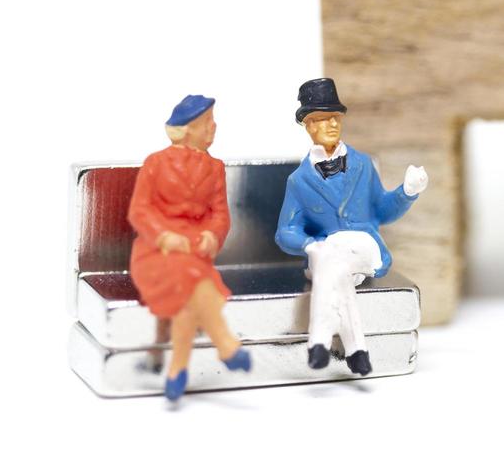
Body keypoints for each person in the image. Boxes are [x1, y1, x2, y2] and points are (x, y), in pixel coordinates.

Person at [276, 78, 428, 375]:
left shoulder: (362, 164)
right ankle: (357, 351)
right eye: (321, 119)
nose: (331, 124)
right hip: (331, 253)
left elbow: (382, 210)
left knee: (326, 262)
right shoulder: (299, 180)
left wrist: (407, 192)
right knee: (332, 265)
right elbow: (286, 231)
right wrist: (308, 244)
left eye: (335, 117)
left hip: (364, 245)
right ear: (308, 126)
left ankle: (319, 340)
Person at [128, 95, 253, 401]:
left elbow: (220, 213)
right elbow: (139, 211)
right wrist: (164, 237)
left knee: (189, 283)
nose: (213, 128)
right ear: (186, 130)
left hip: (195, 248)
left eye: (213, 121)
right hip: (156, 251)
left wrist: (213, 234)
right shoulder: (155, 163)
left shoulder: (215, 167)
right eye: (206, 123)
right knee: (194, 277)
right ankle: (224, 343)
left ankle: (177, 370)